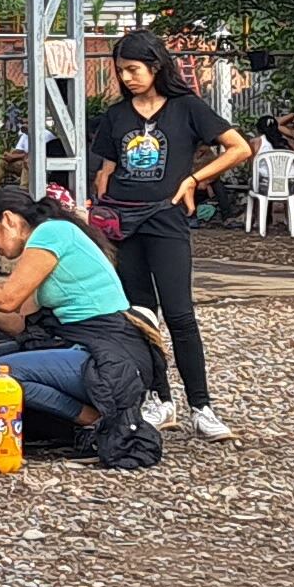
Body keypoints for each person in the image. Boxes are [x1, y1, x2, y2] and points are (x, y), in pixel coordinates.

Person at [81, 29, 245, 439]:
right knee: (140, 316)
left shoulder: (187, 107)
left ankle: (202, 406)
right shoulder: (117, 116)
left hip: (167, 219)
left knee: (180, 314)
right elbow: (105, 171)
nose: (128, 77)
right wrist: (98, 209)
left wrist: (193, 180)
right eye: (122, 72)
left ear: (156, 66)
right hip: (124, 221)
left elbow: (239, 147)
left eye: (134, 69)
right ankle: (159, 399)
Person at [0, 189, 160, 468]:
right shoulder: (42, 246)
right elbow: (17, 324)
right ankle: (72, 427)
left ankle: (95, 422)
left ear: (8, 219)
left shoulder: (50, 233)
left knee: (3, 375)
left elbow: (7, 298)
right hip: (88, 346)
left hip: (110, 356)